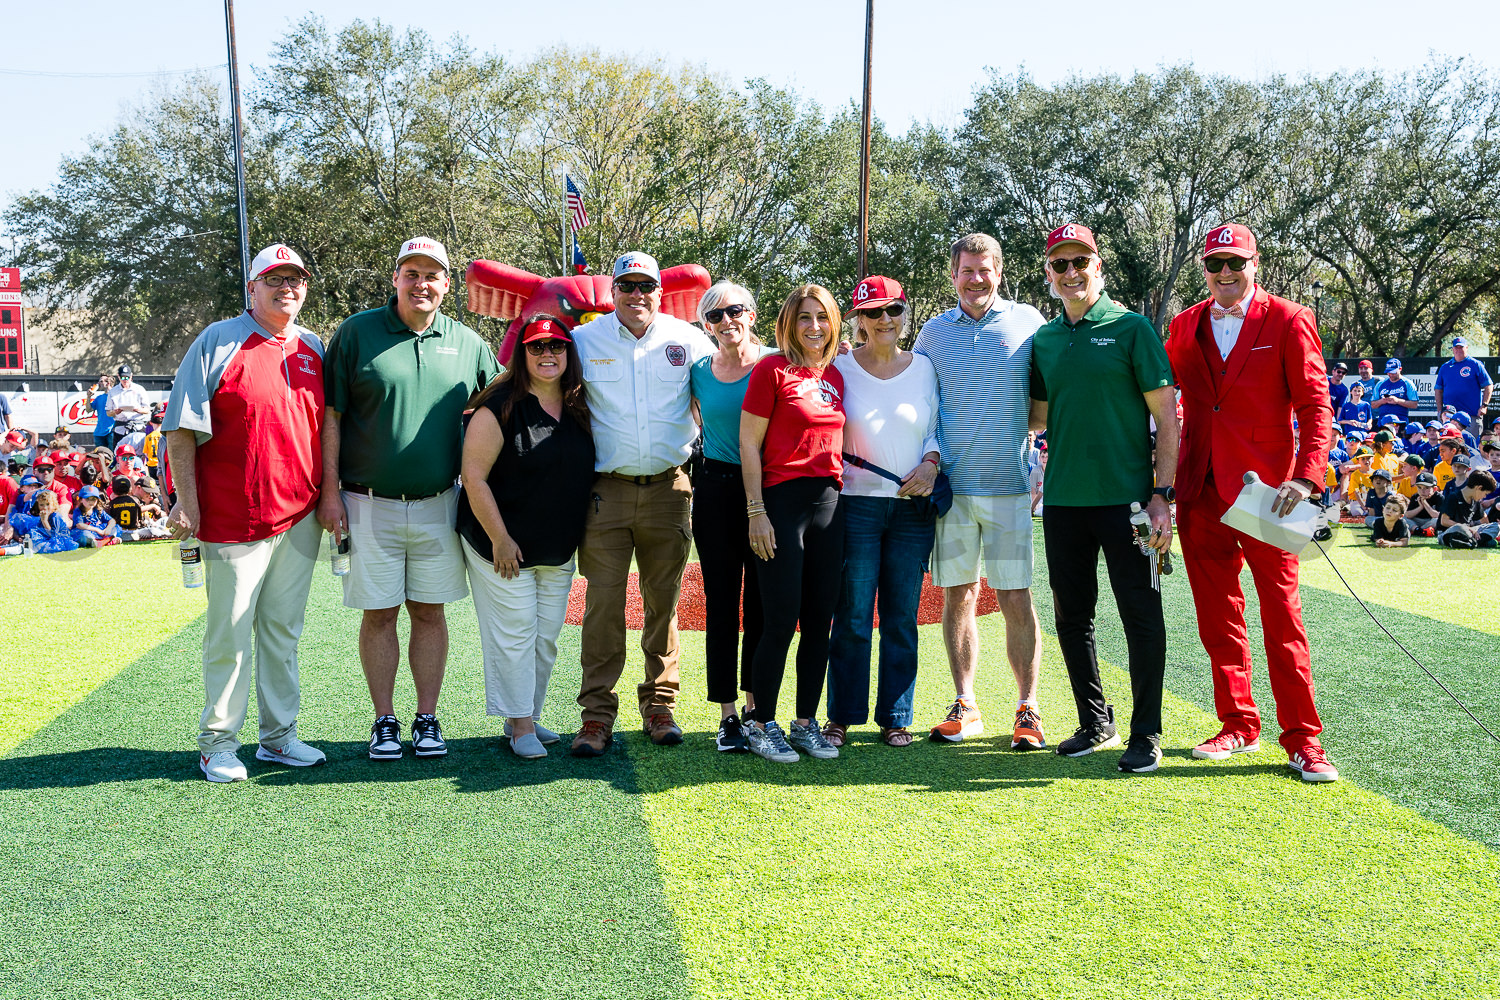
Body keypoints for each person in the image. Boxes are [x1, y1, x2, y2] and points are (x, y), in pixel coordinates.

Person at [1164, 223, 1339, 783]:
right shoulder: (1184, 324)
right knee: (1218, 620)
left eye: (1235, 262)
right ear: (1204, 270)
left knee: (1282, 617)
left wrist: (1306, 480)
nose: (1225, 273)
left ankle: (1304, 739)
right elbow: (1160, 400)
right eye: (1215, 264)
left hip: (1272, 496)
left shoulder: (1289, 318)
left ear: (1254, 264)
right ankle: (1238, 723)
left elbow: (1316, 407)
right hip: (1199, 492)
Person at [320, 236, 499, 761]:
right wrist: (329, 492)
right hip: (365, 502)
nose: (422, 284)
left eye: (432, 275)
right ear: (396, 278)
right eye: (412, 273)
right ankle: (384, 721)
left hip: (439, 502)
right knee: (378, 614)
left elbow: (501, 408)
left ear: (447, 284)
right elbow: (331, 417)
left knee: (429, 611)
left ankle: (426, 718)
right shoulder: (356, 332)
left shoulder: (468, 342)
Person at [163, 242, 328, 782]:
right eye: (274, 278)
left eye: (295, 278)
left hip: (299, 515)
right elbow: (180, 429)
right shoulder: (218, 340)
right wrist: (187, 502)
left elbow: (326, 428)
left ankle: (279, 738)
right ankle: (217, 743)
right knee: (230, 634)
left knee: (283, 633)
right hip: (233, 517)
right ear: (252, 287)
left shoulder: (314, 346)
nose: (286, 287)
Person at [1028, 224, 1177, 773]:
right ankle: (1095, 721)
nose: (1071, 273)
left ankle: (1146, 732)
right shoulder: (1044, 339)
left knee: (1141, 615)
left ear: (1098, 266)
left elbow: (1167, 420)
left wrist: (1161, 496)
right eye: (1060, 264)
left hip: (1129, 504)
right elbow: (1037, 417)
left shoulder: (1132, 328)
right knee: (1072, 618)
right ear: (1049, 273)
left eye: (1080, 262)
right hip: (1064, 502)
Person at [567, 252, 714, 757]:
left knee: (662, 604)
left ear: (659, 291)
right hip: (604, 493)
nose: (636, 295)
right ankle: (596, 715)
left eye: (645, 285)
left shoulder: (688, 339)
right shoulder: (583, 341)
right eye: (626, 286)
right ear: (612, 292)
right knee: (602, 607)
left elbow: (727, 382)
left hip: (670, 492)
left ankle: (660, 707)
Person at [913, 233, 1048, 750]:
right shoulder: (932, 333)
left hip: (1010, 489)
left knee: (1015, 595)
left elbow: (1044, 398)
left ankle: (1027, 706)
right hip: (953, 492)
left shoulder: (1029, 321)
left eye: (984, 269)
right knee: (959, 594)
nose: (975, 279)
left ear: (999, 271)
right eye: (966, 271)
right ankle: (965, 703)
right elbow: (922, 403)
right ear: (953, 276)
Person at [457, 315, 595, 760]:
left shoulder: (580, 403)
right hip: (500, 544)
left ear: (569, 352)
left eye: (556, 346)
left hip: (556, 547)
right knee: (515, 633)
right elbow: (473, 477)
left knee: (545, 637)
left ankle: (526, 715)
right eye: (536, 347)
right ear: (522, 354)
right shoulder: (499, 405)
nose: (547, 354)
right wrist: (499, 538)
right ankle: (519, 726)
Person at [824, 276, 940, 750]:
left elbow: (936, 427)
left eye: (893, 309)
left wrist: (931, 462)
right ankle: (842, 715)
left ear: (905, 313)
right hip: (855, 506)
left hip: (912, 508)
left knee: (901, 616)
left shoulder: (925, 368)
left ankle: (896, 716)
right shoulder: (838, 367)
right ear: (859, 320)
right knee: (852, 614)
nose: (885, 319)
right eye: (873, 312)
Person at [739, 284, 846, 762]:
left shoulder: (835, 375)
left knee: (819, 622)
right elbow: (748, 443)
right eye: (805, 317)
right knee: (780, 621)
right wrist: (756, 511)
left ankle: (805, 723)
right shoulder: (771, 369)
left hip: (830, 505)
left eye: (822, 317)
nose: (814, 326)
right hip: (781, 504)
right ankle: (761, 723)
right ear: (789, 323)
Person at [688, 280, 775, 753]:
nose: (726, 321)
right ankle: (727, 715)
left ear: (752, 314)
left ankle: (756, 706)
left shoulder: (777, 362)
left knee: (761, 600)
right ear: (706, 325)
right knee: (720, 603)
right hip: (715, 491)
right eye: (715, 316)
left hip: (768, 492)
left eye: (735, 311)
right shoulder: (699, 372)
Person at [1434, 337, 1492, 422]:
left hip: (1471, 416)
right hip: (1450, 416)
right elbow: (1438, 390)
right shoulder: (1445, 367)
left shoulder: (1475, 364)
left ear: (1466, 348)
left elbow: (1489, 385)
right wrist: (1440, 411)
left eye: (1461, 347)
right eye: (1456, 347)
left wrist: (1484, 406)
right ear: (1452, 349)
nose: (1458, 350)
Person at [1439, 470, 1499, 548]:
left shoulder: (1475, 501)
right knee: (1460, 528)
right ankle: (1475, 542)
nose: (1484, 497)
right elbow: (1444, 521)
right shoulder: (1453, 497)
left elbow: (1484, 520)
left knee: (1496, 526)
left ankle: (1471, 542)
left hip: (1469, 532)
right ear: (1479, 488)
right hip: (1451, 531)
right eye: (1485, 494)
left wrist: (1489, 531)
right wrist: (1467, 528)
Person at [107, 364, 152, 450]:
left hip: (137, 426)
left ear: (131, 376)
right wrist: (115, 412)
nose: (125, 380)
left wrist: (138, 410)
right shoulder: (113, 391)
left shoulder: (139, 389)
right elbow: (108, 412)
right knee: (118, 452)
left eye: (127, 377)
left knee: (139, 452)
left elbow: (147, 409)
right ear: (118, 377)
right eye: (123, 377)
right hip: (120, 428)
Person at [1371, 359, 1419, 425]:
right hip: (1383, 422)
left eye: (1393, 372)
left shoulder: (1408, 383)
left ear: (1400, 369)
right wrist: (1383, 401)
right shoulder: (1380, 384)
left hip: (1400, 421)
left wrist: (1397, 401)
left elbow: (1414, 404)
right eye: (1388, 372)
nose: (1390, 374)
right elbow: (1373, 405)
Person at [90, 374, 114, 448]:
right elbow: (88, 409)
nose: (98, 383)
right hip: (99, 433)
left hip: (112, 431)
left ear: (108, 383)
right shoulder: (99, 398)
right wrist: (88, 397)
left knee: (112, 454)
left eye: (101, 381)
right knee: (100, 454)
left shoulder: (116, 396)